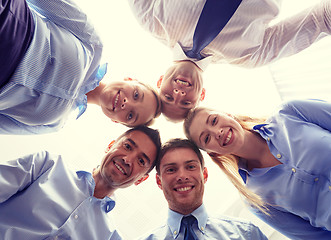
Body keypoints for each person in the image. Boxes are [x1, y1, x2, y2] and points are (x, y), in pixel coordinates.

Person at [127, 0, 331, 121]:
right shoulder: (250, 56)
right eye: (186, 102)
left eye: (168, 97)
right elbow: (318, 21)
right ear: (202, 95)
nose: (178, 93)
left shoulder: (150, 19)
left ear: (160, 81)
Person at [0, 0, 161, 135]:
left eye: (131, 115)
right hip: (8, 21)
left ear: (116, 121)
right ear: (130, 79)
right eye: (136, 94)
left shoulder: (54, 124)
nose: (127, 103)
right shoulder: (93, 45)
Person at [184, 99, 331, 239]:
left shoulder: (289, 113)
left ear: (227, 114)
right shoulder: (255, 200)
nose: (217, 132)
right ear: (213, 153)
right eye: (207, 138)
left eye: (214, 120)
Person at [0, 125, 161, 239]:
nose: (127, 159)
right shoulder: (46, 165)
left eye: (141, 161)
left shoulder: (110, 237)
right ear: (110, 145)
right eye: (127, 146)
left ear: (141, 179)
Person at [137, 138, 268, 239]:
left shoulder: (247, 234)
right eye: (171, 170)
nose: (182, 176)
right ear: (159, 181)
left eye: (190, 167)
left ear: (204, 175)